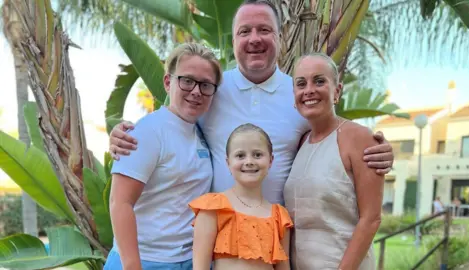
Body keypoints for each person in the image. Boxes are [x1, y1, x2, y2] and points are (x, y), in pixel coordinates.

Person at [108, 0, 395, 207]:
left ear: (279, 37)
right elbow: (171, 123)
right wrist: (125, 135)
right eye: (245, 31)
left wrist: (376, 150)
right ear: (233, 40)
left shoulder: (300, 94)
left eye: (264, 30)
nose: (254, 39)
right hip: (213, 242)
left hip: (277, 239)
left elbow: (333, 136)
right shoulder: (211, 91)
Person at [103, 43, 222, 270]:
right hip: (144, 262)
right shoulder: (149, 131)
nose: (196, 91)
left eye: (206, 85)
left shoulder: (199, 132)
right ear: (168, 83)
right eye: (187, 80)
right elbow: (120, 202)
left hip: (187, 261)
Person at [284, 53, 383, 269]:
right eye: (301, 84)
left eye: (319, 81)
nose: (309, 89)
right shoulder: (300, 143)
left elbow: (371, 219)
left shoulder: (359, 138)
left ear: (337, 91)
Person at [189, 123, 292, 270]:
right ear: (228, 162)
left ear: (270, 161)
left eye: (257, 154)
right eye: (240, 155)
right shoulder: (214, 207)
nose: (249, 161)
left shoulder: (279, 216)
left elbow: (283, 267)